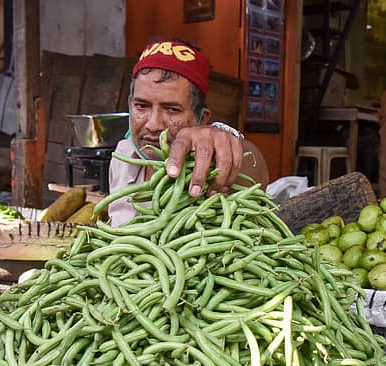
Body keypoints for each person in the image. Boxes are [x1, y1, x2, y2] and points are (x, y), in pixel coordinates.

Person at [108, 39, 269, 227]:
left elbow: (253, 165)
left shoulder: (211, 168)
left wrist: (224, 137)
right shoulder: (122, 155)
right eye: (141, 106)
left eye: (172, 109)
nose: (153, 125)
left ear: (202, 118)